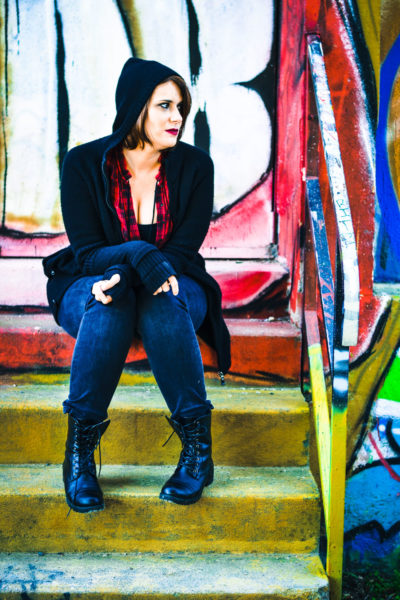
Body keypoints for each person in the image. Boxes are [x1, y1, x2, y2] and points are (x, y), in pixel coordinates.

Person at [42, 57, 231, 514]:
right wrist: (135, 261)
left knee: (164, 300)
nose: (177, 118)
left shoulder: (195, 167)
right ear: (135, 109)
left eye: (181, 107)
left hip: (176, 284)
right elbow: (87, 254)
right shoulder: (84, 164)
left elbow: (182, 253)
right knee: (108, 305)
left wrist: (139, 267)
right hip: (92, 282)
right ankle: (79, 456)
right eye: (164, 105)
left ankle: (196, 452)